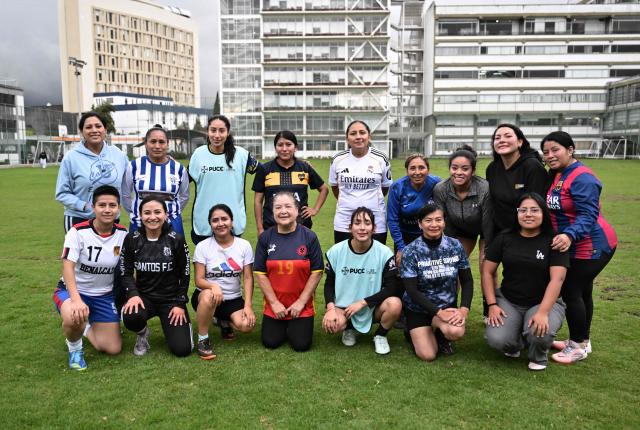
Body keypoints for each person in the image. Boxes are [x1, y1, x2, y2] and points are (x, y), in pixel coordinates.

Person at [540, 131, 617, 364]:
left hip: (593, 245)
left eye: (555, 150)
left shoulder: (583, 177)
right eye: (546, 152)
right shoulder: (556, 173)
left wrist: (570, 234)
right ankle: (583, 339)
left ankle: (578, 346)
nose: (550, 155)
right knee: (583, 292)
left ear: (570, 150)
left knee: (572, 291)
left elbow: (588, 214)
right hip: (574, 245)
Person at [483, 193, 569, 371]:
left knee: (539, 333)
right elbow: (487, 271)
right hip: (509, 301)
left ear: (543, 213)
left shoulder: (554, 241)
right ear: (517, 213)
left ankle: (538, 356)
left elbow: (557, 279)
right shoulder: (504, 238)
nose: (528, 214)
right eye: (523, 210)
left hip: (542, 302)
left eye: (534, 210)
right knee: (498, 339)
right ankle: (515, 344)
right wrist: (492, 304)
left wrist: (544, 312)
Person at [52, 185, 128, 371]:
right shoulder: (77, 232)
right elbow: (67, 266)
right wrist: (76, 300)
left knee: (113, 348)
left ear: (119, 208)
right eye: (102, 205)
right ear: (93, 207)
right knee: (73, 316)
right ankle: (75, 350)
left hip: (104, 295)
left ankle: (85, 326)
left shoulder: (123, 234)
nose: (107, 210)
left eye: (112, 205)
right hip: (73, 292)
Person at [322, 207, 402, 355]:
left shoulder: (384, 252)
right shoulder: (337, 251)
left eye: (367, 223)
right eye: (357, 223)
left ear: (374, 228)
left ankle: (380, 335)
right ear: (350, 227)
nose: (362, 228)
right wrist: (330, 309)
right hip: (344, 308)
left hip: (371, 307)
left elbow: (391, 288)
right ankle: (349, 328)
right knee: (333, 325)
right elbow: (329, 284)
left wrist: (363, 302)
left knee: (395, 304)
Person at [119, 197, 192, 357]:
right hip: (144, 298)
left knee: (182, 349)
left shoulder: (176, 239)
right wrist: (132, 294)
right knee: (131, 316)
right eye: (147, 213)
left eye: (157, 212)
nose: (152, 217)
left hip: (171, 300)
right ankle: (142, 333)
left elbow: (185, 273)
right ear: (140, 215)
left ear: (165, 214)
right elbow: (126, 271)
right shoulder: (132, 239)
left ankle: (179, 328)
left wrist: (180, 303)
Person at [399, 203, 473, 361]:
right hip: (418, 309)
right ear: (420, 224)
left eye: (438, 220)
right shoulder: (411, 251)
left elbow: (467, 280)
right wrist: (439, 313)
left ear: (444, 222)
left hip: (446, 306)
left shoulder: (455, 245)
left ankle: (440, 333)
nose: (434, 225)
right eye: (428, 220)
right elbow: (412, 290)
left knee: (456, 331)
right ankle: (412, 329)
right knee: (428, 355)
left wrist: (464, 309)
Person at [254, 192, 324, 352]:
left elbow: (317, 272)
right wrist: (274, 303)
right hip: (275, 306)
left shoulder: (309, 237)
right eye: (278, 207)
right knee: (270, 341)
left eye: (288, 206)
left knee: (301, 345)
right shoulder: (265, 238)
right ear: (272, 212)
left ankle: (295, 325)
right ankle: (282, 324)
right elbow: (260, 273)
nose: (283, 211)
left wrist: (301, 302)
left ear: (297, 210)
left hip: (302, 306)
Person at [433, 145, 493, 316]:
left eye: (465, 168)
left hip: (484, 228)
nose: (459, 172)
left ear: (473, 170)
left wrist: (487, 247)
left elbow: (488, 221)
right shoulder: (441, 189)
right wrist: (451, 247)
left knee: (486, 266)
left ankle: (489, 310)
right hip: (460, 229)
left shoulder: (484, 188)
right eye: (454, 168)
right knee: (452, 267)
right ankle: (450, 306)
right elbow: (444, 220)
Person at [191, 204, 255, 360]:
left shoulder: (244, 245)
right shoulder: (202, 246)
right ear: (210, 225)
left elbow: (248, 277)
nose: (220, 223)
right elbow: (198, 280)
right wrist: (213, 286)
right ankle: (203, 339)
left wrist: (248, 306)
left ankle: (223, 321)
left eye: (224, 219)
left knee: (246, 326)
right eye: (215, 220)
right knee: (208, 296)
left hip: (233, 299)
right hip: (207, 296)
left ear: (232, 222)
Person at [188, 115, 259, 245]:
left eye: (221, 130)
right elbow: (182, 180)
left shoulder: (242, 155)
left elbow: (263, 170)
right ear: (207, 131)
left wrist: (299, 165)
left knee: (231, 265)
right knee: (205, 265)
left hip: (233, 223)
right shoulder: (198, 154)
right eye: (213, 130)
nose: (217, 135)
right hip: (204, 224)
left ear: (228, 132)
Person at [55, 112, 128, 233]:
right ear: (81, 131)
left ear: (105, 129)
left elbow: (131, 181)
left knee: (110, 252)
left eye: (98, 126)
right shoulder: (71, 157)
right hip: (80, 219)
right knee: (80, 253)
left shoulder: (118, 155)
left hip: (110, 219)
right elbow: (62, 193)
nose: (94, 130)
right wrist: (84, 206)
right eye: (88, 127)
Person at [252, 130, 329, 236]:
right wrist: (260, 228)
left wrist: (315, 209)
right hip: (272, 228)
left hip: (301, 227)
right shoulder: (265, 169)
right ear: (275, 148)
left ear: (295, 147)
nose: (284, 149)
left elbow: (324, 189)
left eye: (288, 144)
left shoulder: (304, 168)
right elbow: (258, 201)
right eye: (280, 145)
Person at [329, 120, 392, 244]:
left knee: (375, 260)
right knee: (345, 259)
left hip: (375, 220)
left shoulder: (381, 159)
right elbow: (335, 187)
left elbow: (385, 187)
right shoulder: (337, 160)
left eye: (362, 133)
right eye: (353, 133)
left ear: (369, 136)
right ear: (347, 138)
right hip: (344, 220)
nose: (358, 137)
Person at [122, 124, 189, 236]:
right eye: (153, 141)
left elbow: (184, 196)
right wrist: (138, 213)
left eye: (161, 142)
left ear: (167, 144)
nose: (157, 146)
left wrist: (170, 213)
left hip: (171, 226)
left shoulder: (179, 169)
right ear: (146, 144)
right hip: (140, 224)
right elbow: (125, 195)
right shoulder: (133, 166)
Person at [485, 124, 547, 234]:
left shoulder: (532, 167)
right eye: (497, 138)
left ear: (520, 142)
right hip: (499, 234)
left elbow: (536, 207)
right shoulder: (492, 168)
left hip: (525, 233)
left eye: (508, 136)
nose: (502, 140)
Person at [387, 153, 440, 266]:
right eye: (412, 168)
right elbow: (392, 220)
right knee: (404, 276)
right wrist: (401, 248)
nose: (417, 172)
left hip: (430, 236)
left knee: (429, 276)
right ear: (407, 171)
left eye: (421, 167)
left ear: (428, 170)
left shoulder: (436, 184)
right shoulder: (397, 187)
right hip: (404, 238)